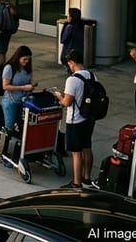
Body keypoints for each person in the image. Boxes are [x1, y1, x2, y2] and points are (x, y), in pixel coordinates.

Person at [53, 49, 99, 190]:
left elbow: (67, 102)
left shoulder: (72, 80)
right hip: (89, 118)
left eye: (69, 64)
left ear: (72, 62)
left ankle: (76, 183)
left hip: (75, 120)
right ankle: (87, 178)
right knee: (87, 147)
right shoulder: (92, 75)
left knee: (76, 152)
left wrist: (59, 96)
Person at [0, 45, 37, 132]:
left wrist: (31, 86)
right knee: (9, 127)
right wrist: (23, 87)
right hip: (10, 101)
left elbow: (29, 80)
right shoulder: (9, 68)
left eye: (28, 59)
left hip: (23, 101)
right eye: (24, 59)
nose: (26, 62)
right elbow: (5, 86)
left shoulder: (27, 68)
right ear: (18, 58)